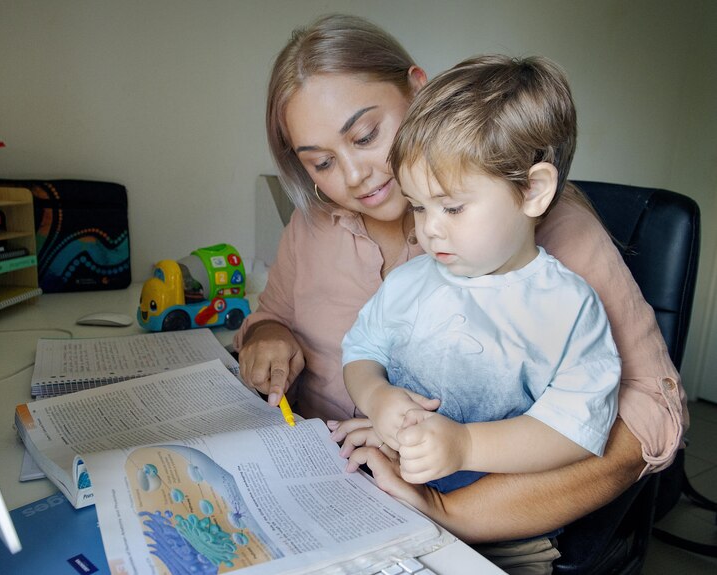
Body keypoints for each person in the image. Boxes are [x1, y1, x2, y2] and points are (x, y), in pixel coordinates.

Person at [234, 11, 686, 568]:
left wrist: (456, 507)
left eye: (367, 136)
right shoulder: (315, 223)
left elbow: (649, 413)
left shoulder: (544, 239)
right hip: (327, 477)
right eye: (322, 163)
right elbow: (279, 315)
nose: (353, 177)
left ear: (419, 90)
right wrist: (269, 333)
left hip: (457, 510)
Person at [340, 56, 620, 570]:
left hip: (502, 538)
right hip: (386, 500)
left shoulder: (567, 309)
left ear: (532, 191)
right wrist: (375, 395)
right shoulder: (411, 281)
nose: (430, 230)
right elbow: (361, 352)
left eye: (452, 207)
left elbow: (574, 432)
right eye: (418, 207)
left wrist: (465, 445)